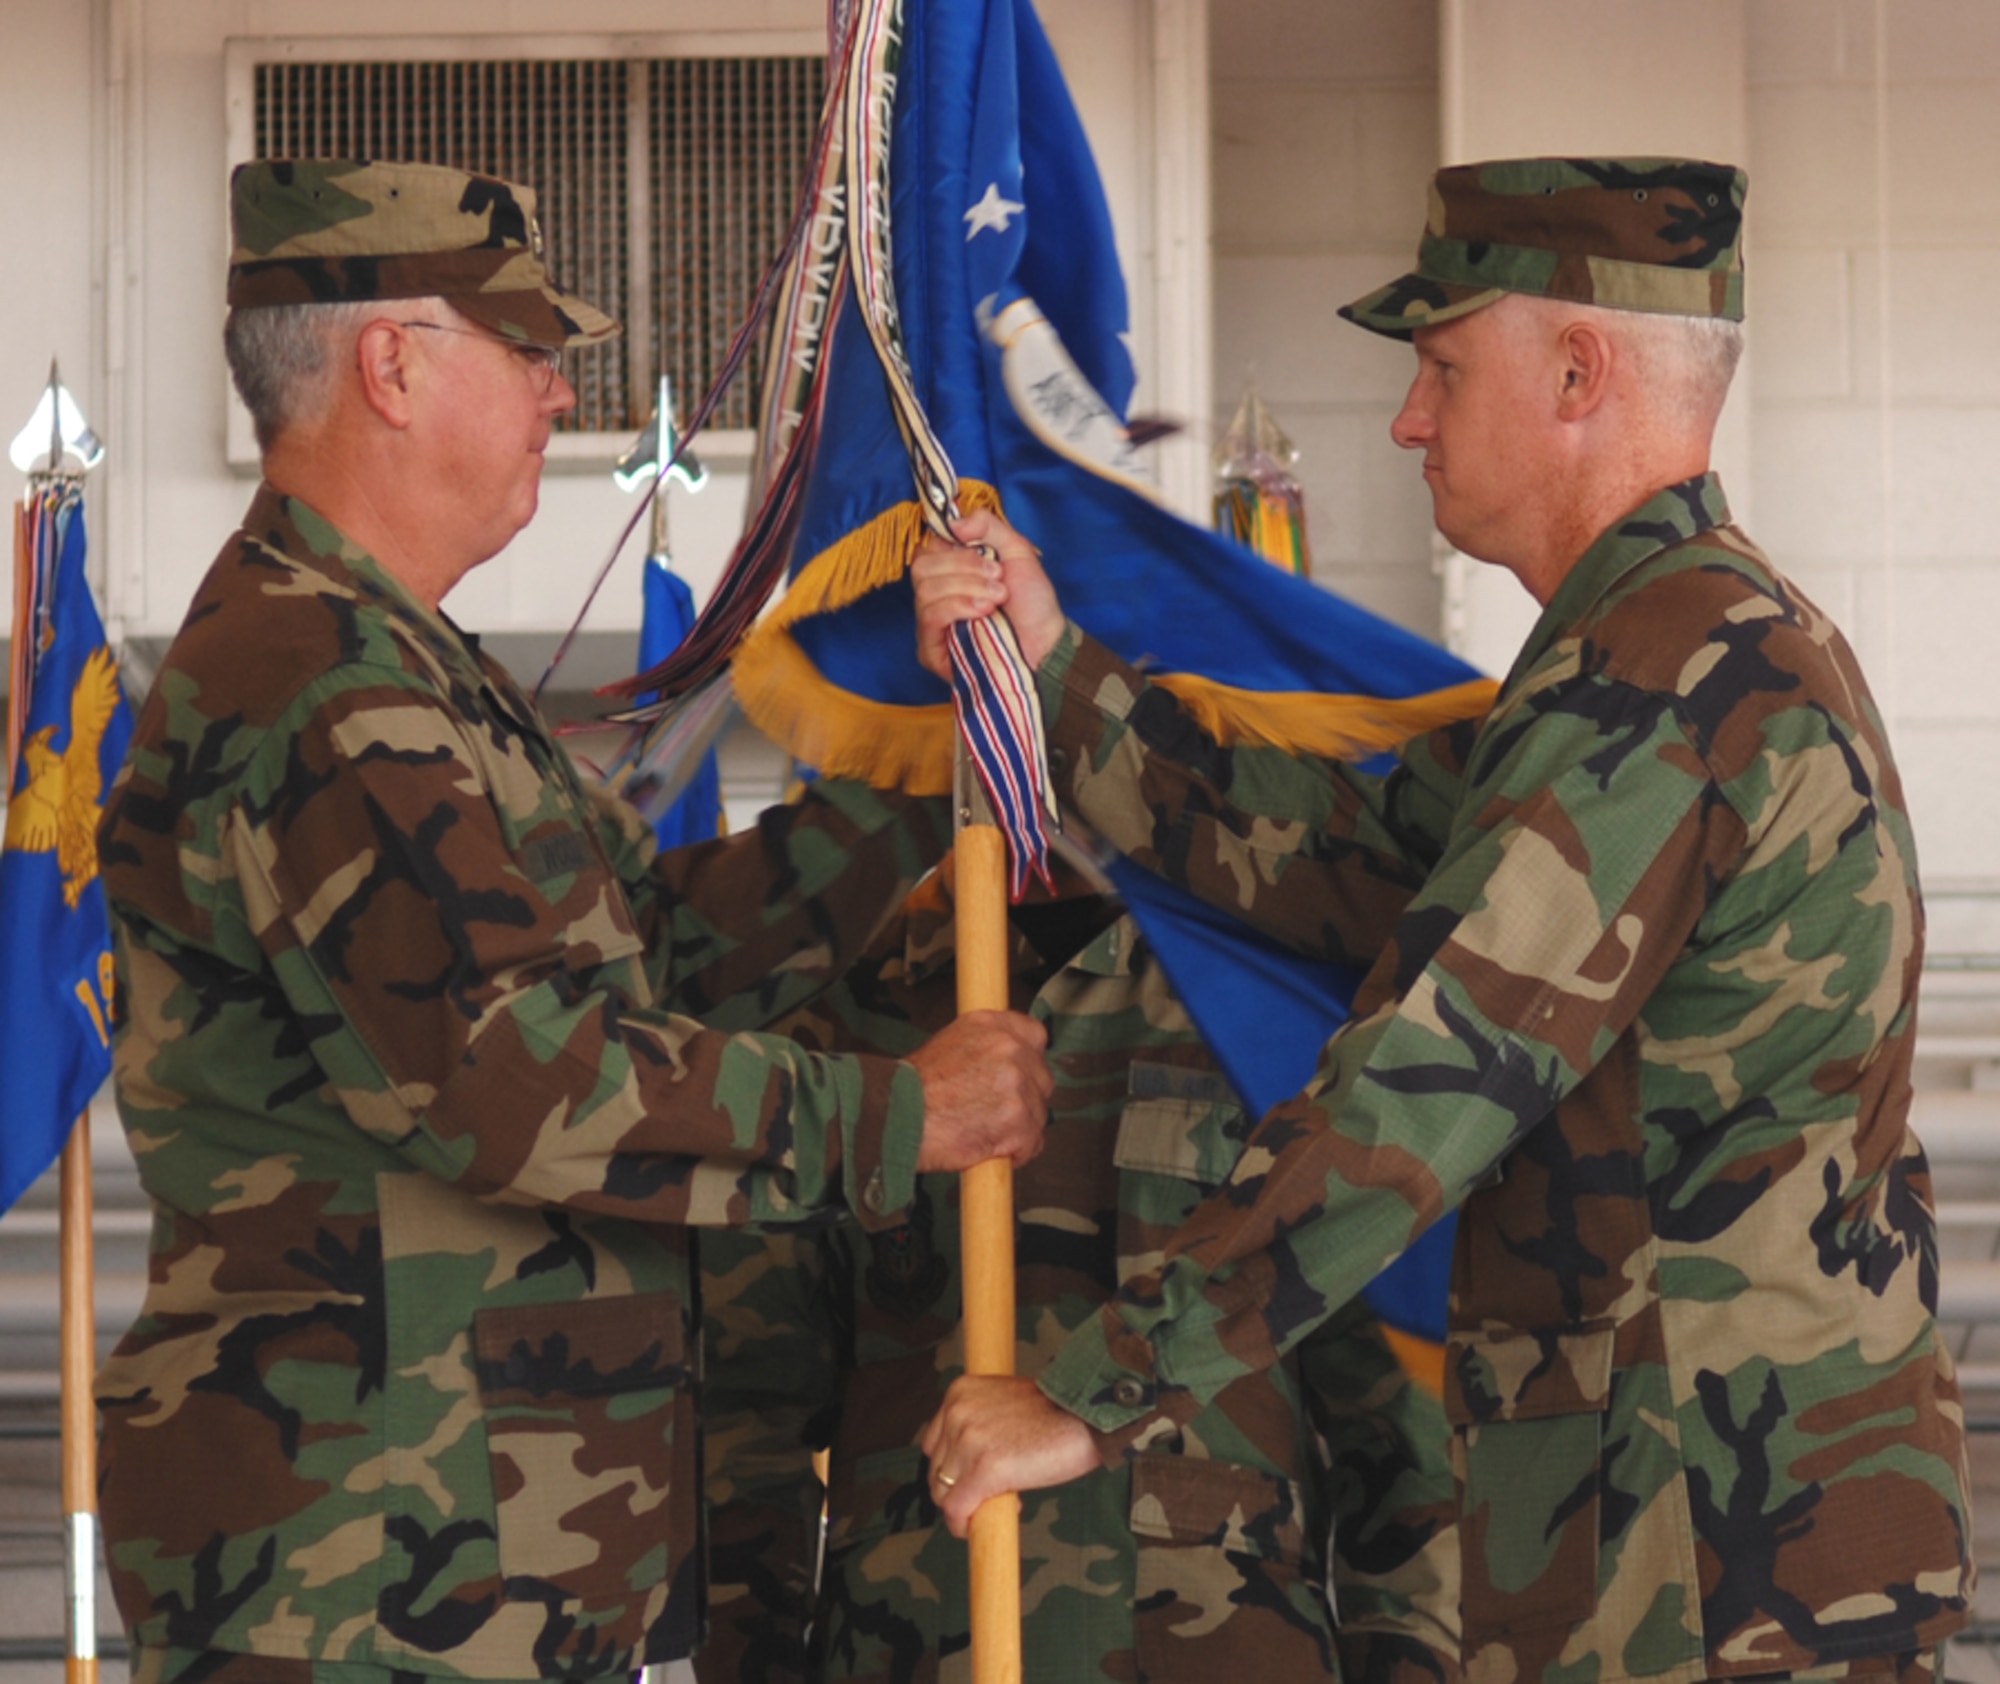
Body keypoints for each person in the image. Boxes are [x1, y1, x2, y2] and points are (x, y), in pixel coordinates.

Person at [909, 158, 1975, 1684]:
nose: (1409, 420)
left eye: (1440, 366)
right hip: (1710, 1524)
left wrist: (1090, 1395)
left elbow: (1421, 1087)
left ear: (1577, 370)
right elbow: (1332, 854)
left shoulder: (1663, 686)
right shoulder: (1664, 649)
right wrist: (1053, 662)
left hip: (1710, 1554)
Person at [93, 157, 1051, 1684]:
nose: (557, 395)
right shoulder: (317, 687)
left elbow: (646, 955)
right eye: (529, 351)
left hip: (471, 1560)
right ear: (390, 364)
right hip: (362, 1580)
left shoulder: (390, 661)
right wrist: (896, 1117)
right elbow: (516, 1076)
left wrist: (920, 778)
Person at [691, 855, 1460, 1684]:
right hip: (911, 1643)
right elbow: (747, 1425)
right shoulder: (830, 1018)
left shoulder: (1274, 996)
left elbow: (1401, 1427)